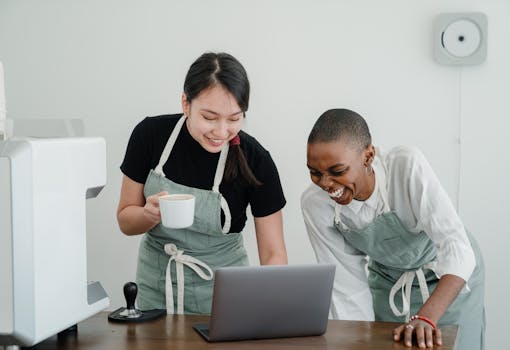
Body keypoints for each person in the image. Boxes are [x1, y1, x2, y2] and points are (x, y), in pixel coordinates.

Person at [117, 52, 288, 315]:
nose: (221, 132)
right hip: (156, 291)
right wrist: (147, 215)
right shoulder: (149, 136)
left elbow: (273, 253)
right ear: (186, 103)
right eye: (209, 117)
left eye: (234, 119)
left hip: (226, 298)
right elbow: (125, 220)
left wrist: (275, 313)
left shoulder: (256, 159)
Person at [301, 109, 485, 349]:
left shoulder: (405, 166)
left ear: (368, 156)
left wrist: (426, 317)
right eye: (315, 173)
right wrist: (356, 342)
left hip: (448, 279)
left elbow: (457, 247)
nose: (325, 183)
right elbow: (347, 289)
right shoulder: (315, 204)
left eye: (337, 171)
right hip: (389, 285)